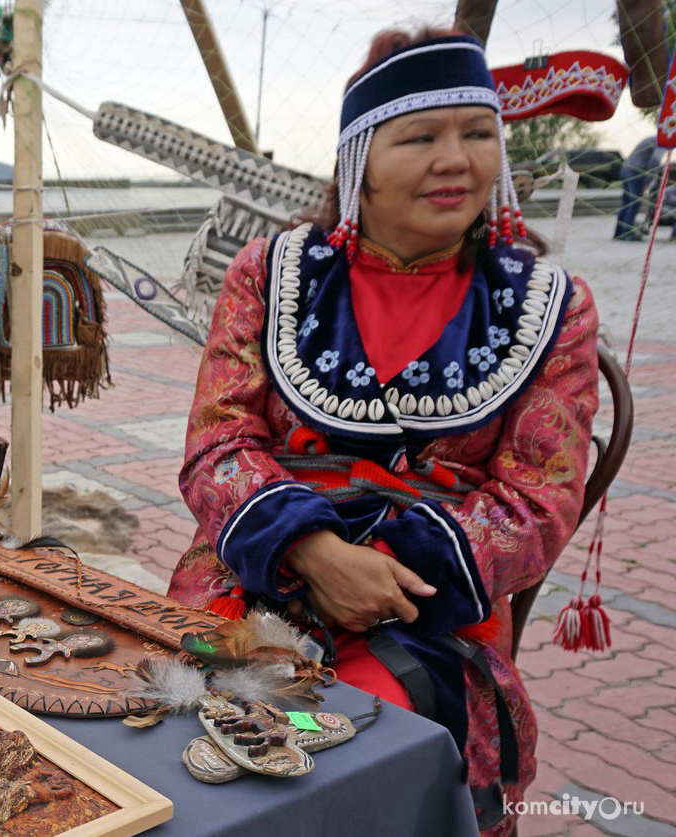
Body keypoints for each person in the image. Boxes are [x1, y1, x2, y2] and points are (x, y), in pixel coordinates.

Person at [168, 30, 598, 836]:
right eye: (421, 136)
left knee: (342, 751)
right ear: (358, 158)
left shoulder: (546, 304)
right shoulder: (271, 273)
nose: (457, 160)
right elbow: (216, 444)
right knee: (182, 728)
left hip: (426, 606)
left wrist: (383, 577)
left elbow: (538, 499)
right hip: (254, 572)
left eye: (478, 133)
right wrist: (313, 553)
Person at [613, 135, 662, 241]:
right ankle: (627, 233)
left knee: (626, 202)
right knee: (634, 203)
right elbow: (655, 161)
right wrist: (649, 182)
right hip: (636, 172)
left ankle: (619, 232)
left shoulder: (651, 139)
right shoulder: (662, 142)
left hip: (626, 168)